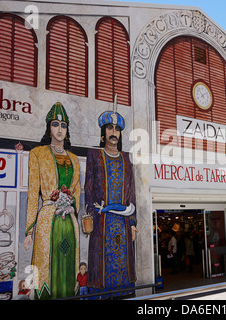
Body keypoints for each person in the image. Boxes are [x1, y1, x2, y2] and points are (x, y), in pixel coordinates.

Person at [24, 102, 81, 299]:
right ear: (48, 127)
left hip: (69, 221)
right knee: (45, 267)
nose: (59, 129)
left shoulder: (74, 158)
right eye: (55, 124)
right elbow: (33, 193)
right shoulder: (37, 154)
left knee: (68, 263)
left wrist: (73, 207)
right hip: (47, 219)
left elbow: (77, 191)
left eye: (63, 125)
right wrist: (29, 230)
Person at [85, 109, 138, 298]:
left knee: (124, 265)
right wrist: (89, 214)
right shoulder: (94, 155)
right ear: (103, 132)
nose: (113, 132)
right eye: (110, 128)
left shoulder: (127, 158)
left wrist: (132, 224)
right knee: (100, 266)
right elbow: (88, 188)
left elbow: (131, 193)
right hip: (101, 221)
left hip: (122, 222)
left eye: (117, 129)